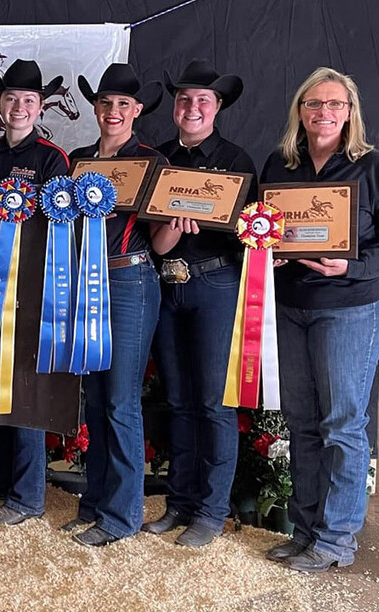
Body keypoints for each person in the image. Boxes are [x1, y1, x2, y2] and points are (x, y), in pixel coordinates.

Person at [260, 67, 379, 572]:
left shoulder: (371, 167)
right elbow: (263, 228)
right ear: (300, 112)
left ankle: (336, 540)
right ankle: (305, 530)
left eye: (335, 104)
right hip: (291, 308)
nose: (324, 113)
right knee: (303, 424)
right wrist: (271, 251)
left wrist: (352, 266)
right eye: (314, 104)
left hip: (349, 309)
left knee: (342, 426)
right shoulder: (280, 164)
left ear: (349, 112)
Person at [141, 60, 257, 547]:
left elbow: (248, 232)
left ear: (218, 108)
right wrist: (172, 227)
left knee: (212, 403)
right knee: (179, 401)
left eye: (202, 101)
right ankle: (180, 503)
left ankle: (211, 512)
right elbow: (156, 241)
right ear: (175, 108)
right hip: (168, 285)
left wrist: (209, 221)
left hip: (215, 286)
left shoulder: (235, 160)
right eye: (184, 100)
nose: (192, 107)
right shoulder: (160, 160)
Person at [0, 59, 70, 526]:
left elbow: (60, 228)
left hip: (31, 285)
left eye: (28, 100)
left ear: (40, 107)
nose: (19, 107)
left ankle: (28, 496)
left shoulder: (52, 158)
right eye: (10, 99)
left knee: (24, 387)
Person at [66, 63, 167, 547]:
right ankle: (95, 502)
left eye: (123, 104)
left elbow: (164, 243)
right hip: (83, 281)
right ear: (95, 107)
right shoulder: (78, 160)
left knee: (122, 399)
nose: (113, 111)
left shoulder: (153, 160)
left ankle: (123, 514)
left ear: (137, 110)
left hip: (130, 278)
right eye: (105, 102)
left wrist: (180, 222)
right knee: (97, 397)